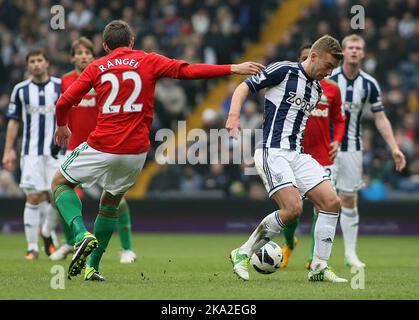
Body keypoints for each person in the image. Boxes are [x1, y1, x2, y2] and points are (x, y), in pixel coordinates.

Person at [51, 20, 264, 281]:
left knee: (60, 183)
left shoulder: (96, 67)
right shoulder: (148, 60)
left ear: (105, 46)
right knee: (110, 204)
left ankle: (80, 234)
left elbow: (63, 102)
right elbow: (188, 70)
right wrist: (233, 68)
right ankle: (92, 268)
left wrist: (62, 127)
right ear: (131, 42)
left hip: (102, 144)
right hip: (136, 152)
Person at [227, 35, 348, 282]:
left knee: (331, 202)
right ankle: (242, 253)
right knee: (292, 209)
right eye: (328, 66)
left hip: (297, 154)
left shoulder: (316, 90)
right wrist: (233, 115)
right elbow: (244, 87)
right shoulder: (283, 70)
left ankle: (318, 267)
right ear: (313, 56)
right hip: (273, 150)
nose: (329, 73)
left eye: (333, 70)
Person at [50, 37, 137, 264]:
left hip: (101, 145)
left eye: (87, 52)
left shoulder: (103, 76)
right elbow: (60, 111)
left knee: (118, 199)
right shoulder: (64, 82)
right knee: (64, 196)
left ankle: (127, 248)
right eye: (79, 53)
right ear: (72, 57)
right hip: (74, 148)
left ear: (93, 54)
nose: (83, 56)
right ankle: (73, 242)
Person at [329, 34, 406, 268]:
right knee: (326, 200)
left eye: (358, 48)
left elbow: (381, 119)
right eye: (350, 47)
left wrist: (394, 148)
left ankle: (350, 254)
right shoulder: (329, 78)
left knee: (349, 200)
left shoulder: (369, 84)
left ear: (363, 53)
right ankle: (319, 256)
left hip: (353, 148)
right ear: (343, 52)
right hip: (326, 148)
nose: (353, 51)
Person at [280, 44, 347, 269]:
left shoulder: (332, 89)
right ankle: (290, 243)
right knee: (292, 210)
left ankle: (313, 259)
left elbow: (339, 118)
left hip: (323, 156)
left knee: (323, 207)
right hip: (294, 153)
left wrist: (337, 140)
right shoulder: (291, 83)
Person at [2, 50, 63, 260]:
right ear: (28, 65)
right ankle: (32, 247)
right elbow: (13, 121)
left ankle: (47, 235)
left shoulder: (60, 86)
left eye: (40, 60)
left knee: (56, 197)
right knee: (34, 196)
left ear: (47, 62)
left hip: (56, 153)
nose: (36, 64)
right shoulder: (20, 90)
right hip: (31, 153)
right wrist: (8, 150)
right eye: (32, 61)